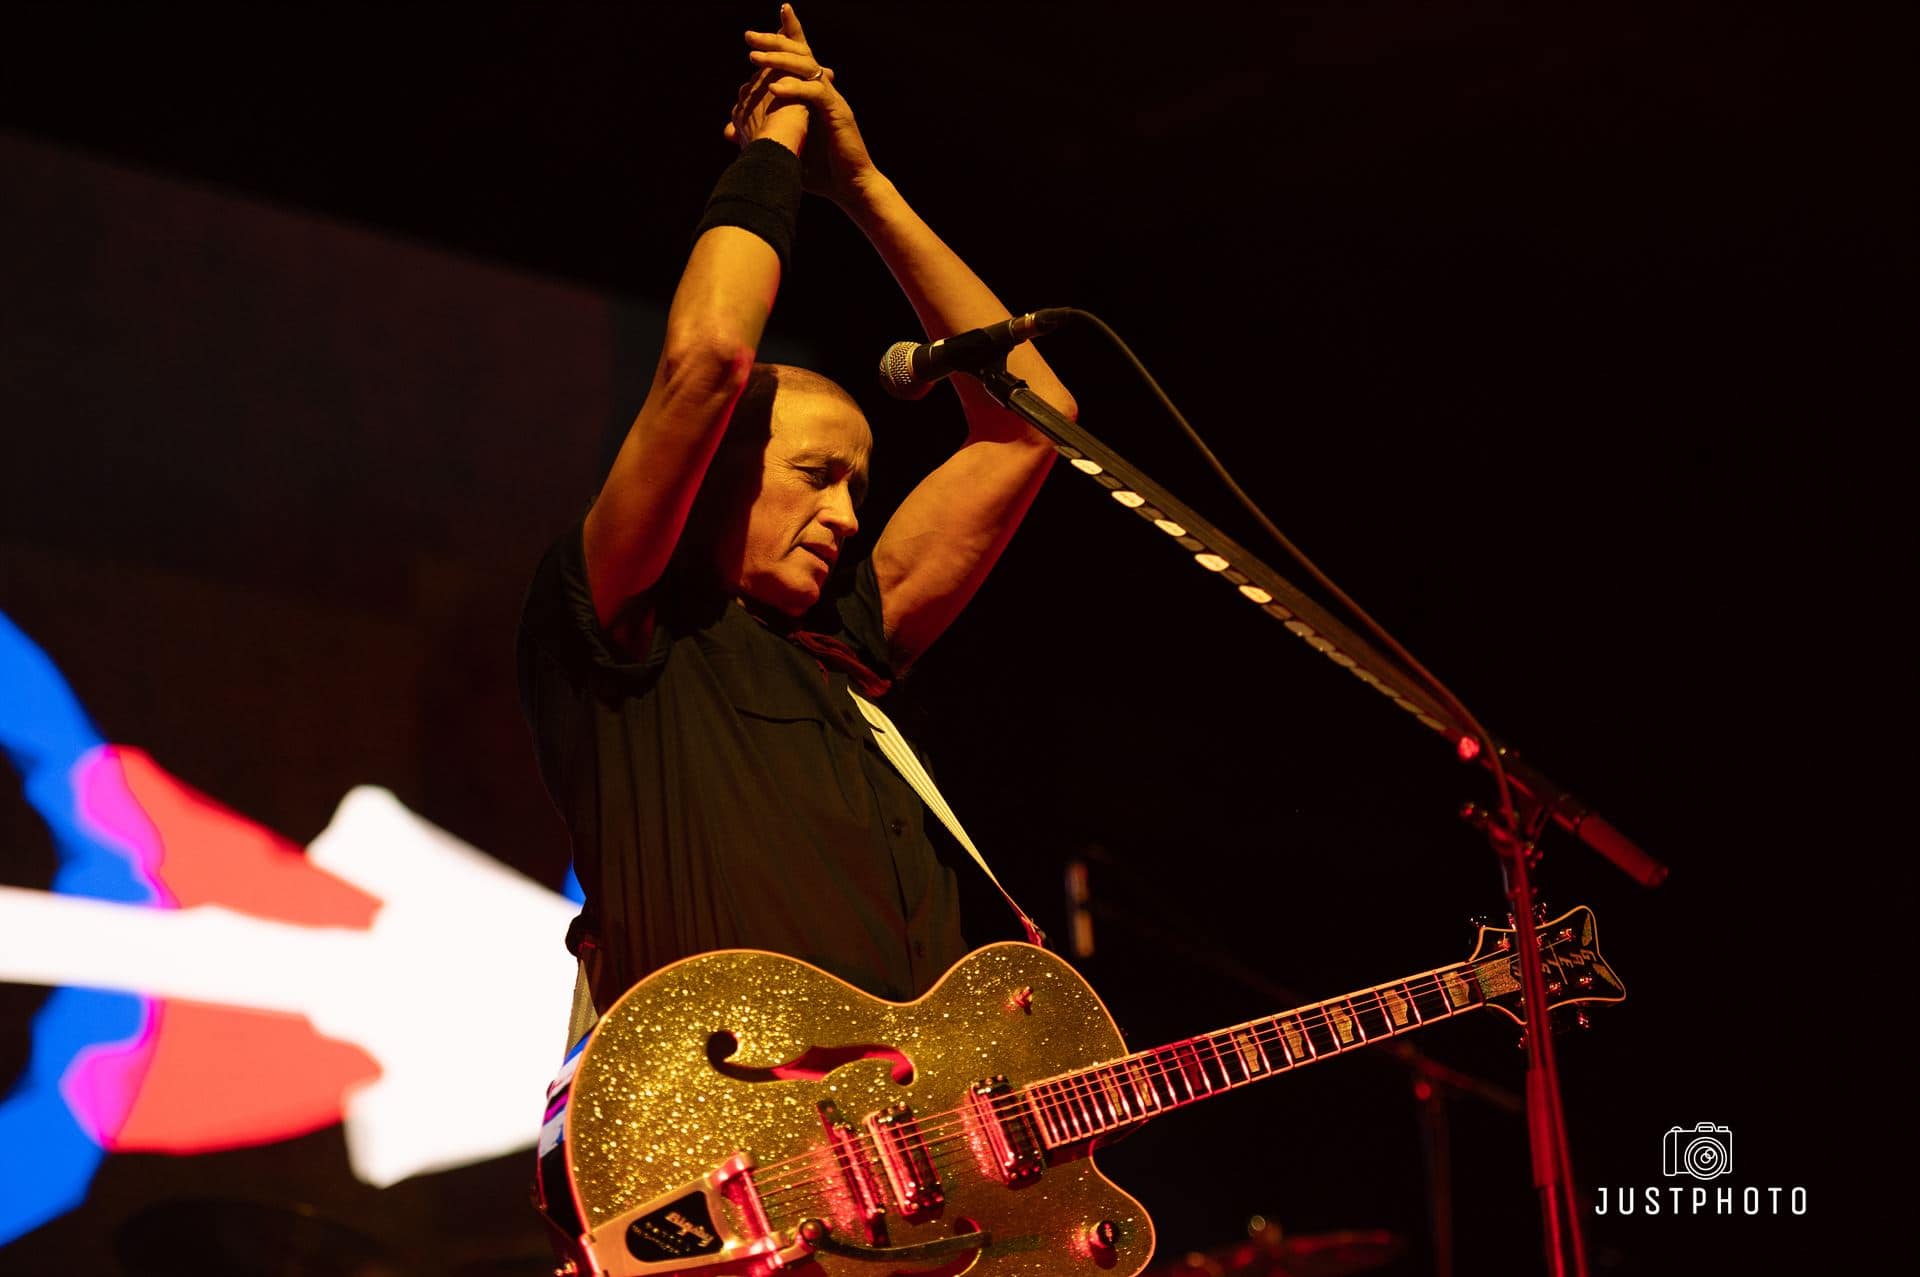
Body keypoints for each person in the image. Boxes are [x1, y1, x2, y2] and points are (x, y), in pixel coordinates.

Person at [516, 5, 1073, 1020]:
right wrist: (776, 141)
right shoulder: (624, 630)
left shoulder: (843, 643)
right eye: (817, 473)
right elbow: (708, 360)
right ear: (708, 474)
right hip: (729, 1116)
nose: (849, 516)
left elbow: (1032, 422)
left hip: (910, 1116)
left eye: (858, 486)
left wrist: (864, 189)